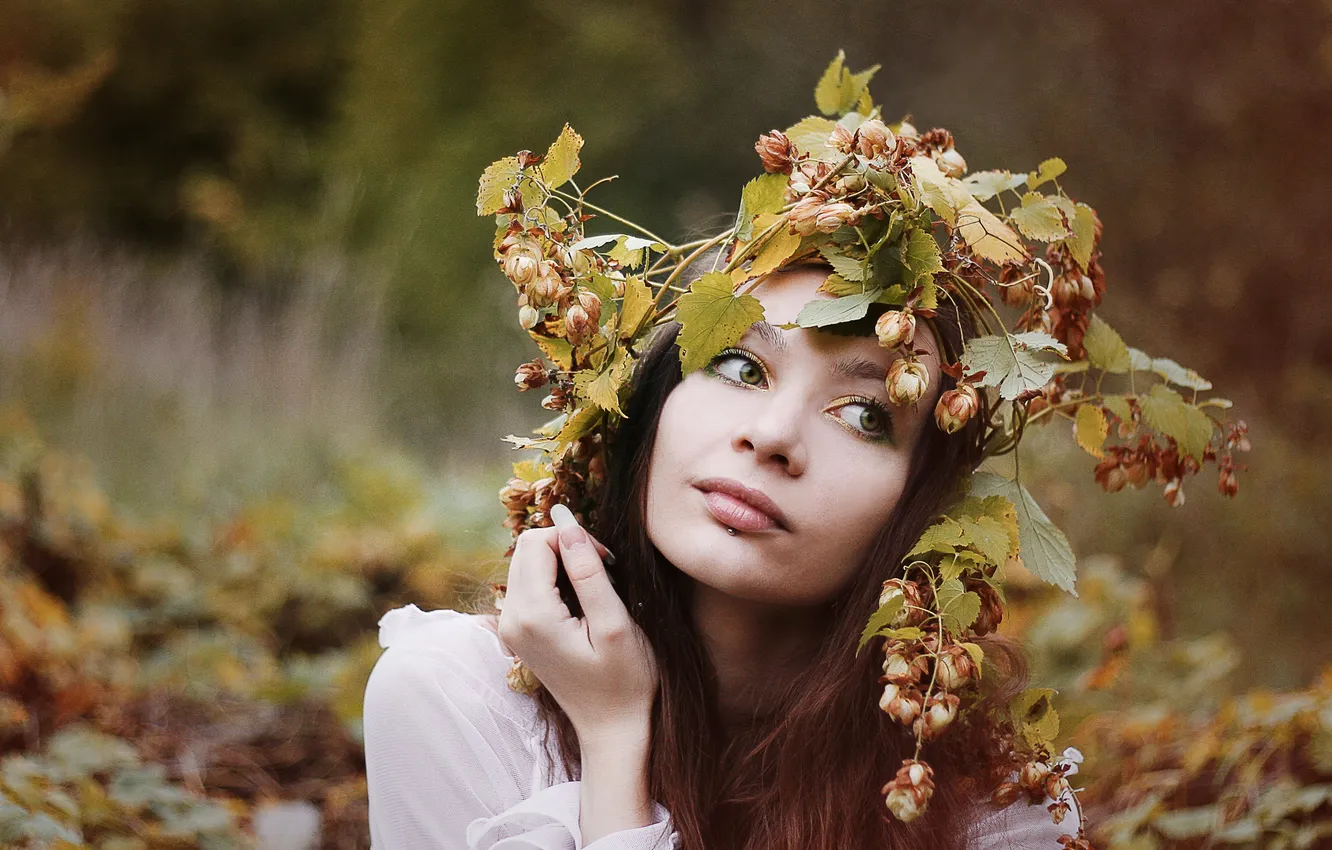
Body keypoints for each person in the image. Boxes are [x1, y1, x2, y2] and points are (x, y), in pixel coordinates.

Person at [363, 261, 1082, 849]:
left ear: (924, 511)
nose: (772, 433)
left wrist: (615, 748)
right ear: (655, 398)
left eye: (865, 415)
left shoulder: (995, 808)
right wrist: (614, 734)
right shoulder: (459, 705)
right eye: (741, 366)